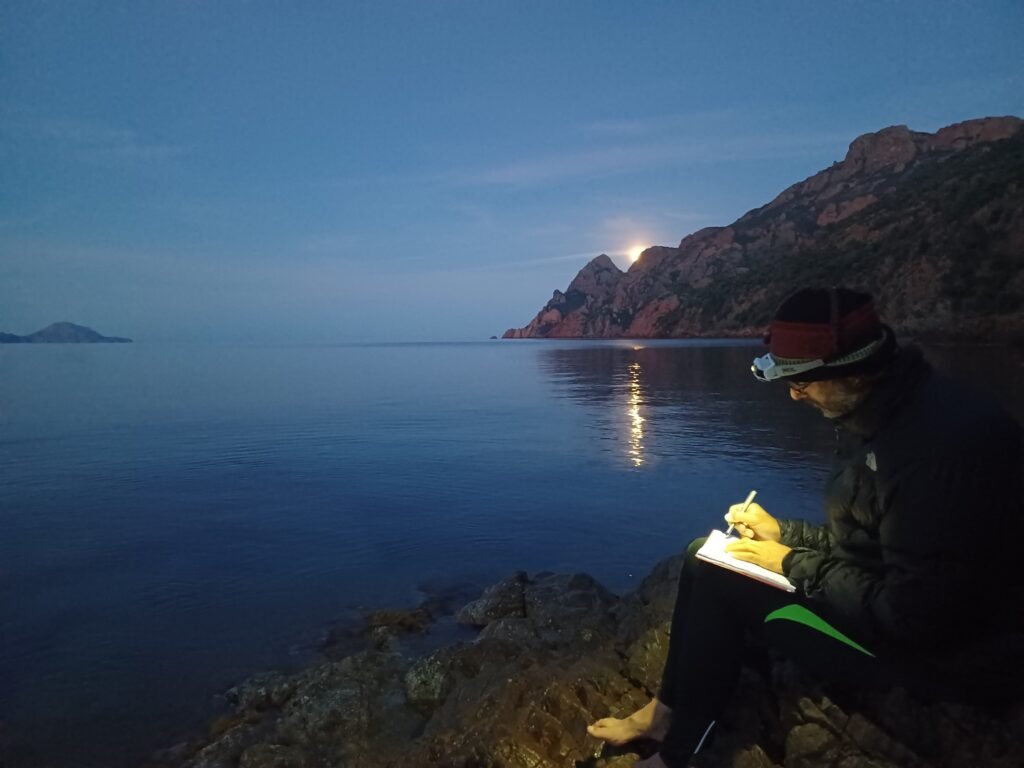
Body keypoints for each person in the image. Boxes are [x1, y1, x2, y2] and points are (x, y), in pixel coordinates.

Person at [587, 287, 1024, 768]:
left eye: (803, 382)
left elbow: (913, 616)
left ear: (851, 371)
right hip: (906, 613)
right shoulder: (883, 413)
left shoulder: (934, 453)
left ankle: (680, 753)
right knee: (703, 553)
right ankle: (666, 711)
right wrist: (785, 533)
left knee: (720, 582)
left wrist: (793, 563)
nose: (795, 395)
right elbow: (873, 544)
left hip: (939, 661)